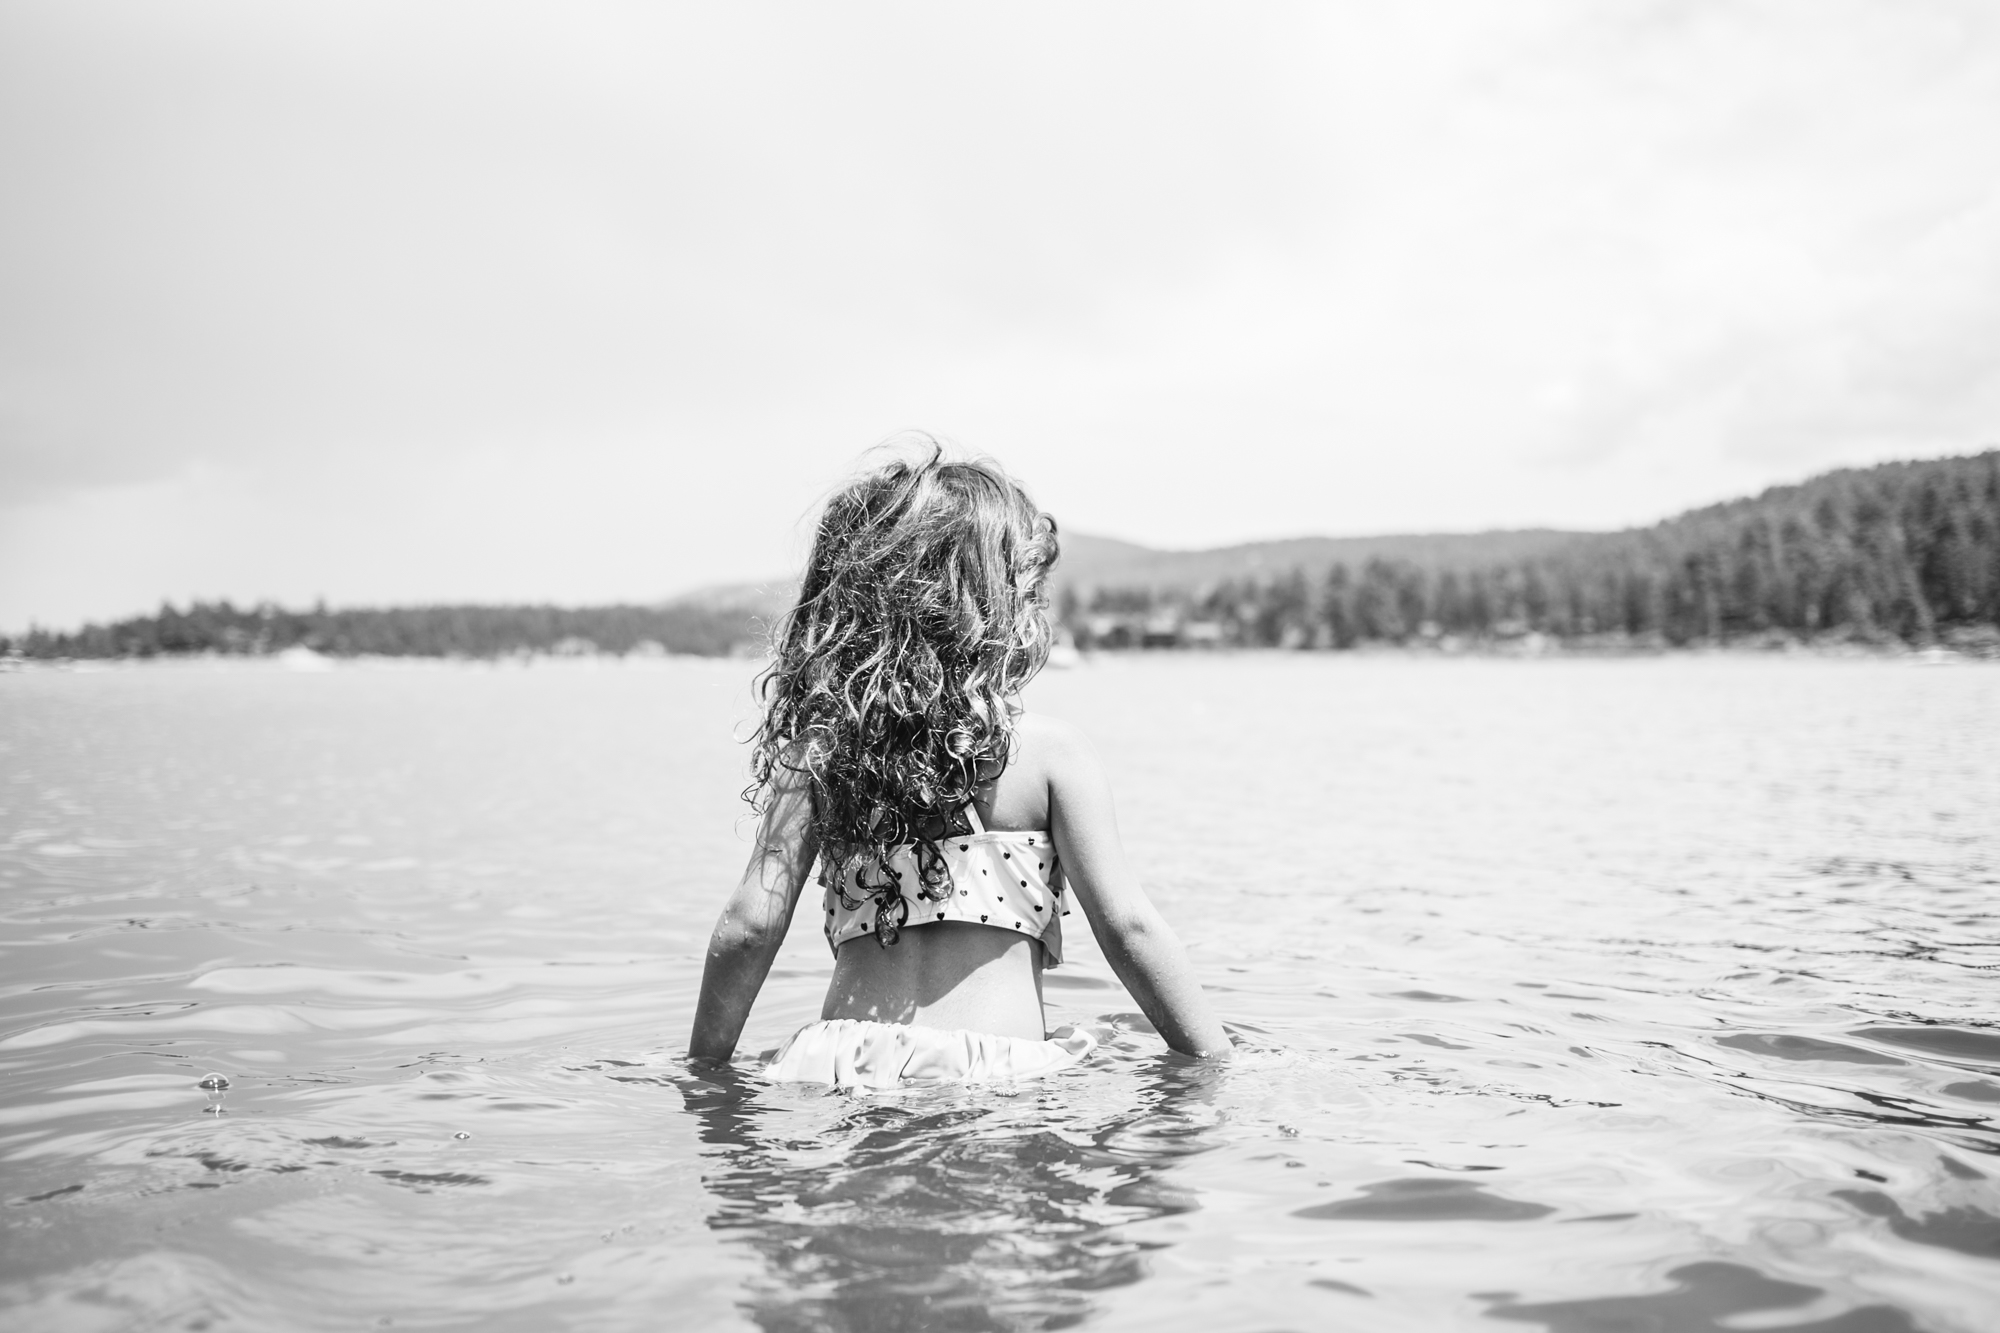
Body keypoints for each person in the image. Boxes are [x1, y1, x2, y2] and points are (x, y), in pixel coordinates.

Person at [688, 443, 1229, 1088]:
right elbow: (1130, 930)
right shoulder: (1050, 754)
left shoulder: (822, 752)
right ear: (993, 608)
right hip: (993, 1066)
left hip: (836, 1064)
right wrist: (1217, 1062)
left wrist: (703, 1073)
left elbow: (749, 928)